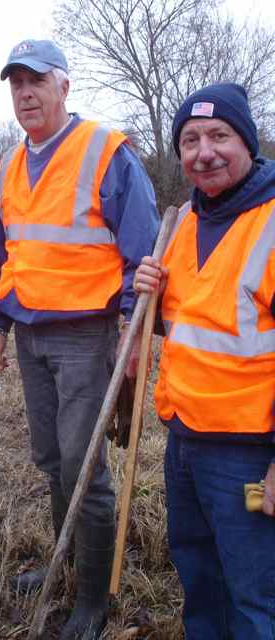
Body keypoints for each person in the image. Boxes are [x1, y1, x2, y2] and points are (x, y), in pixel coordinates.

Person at [0, 39, 159, 639]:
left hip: (86, 334)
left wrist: (135, 335)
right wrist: (0, 328)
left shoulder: (107, 154)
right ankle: (63, 562)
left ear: (64, 86)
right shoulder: (6, 165)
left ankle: (91, 600)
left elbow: (143, 252)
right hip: (31, 334)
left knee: (85, 465)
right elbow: (7, 254)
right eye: (16, 84)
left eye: (36, 81)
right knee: (52, 458)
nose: (25, 94)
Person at [134, 83, 275, 639]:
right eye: (190, 140)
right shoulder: (185, 221)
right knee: (199, 580)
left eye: (219, 135)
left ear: (247, 142)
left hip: (248, 455)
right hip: (184, 443)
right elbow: (192, 325)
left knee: (254, 593)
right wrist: (150, 295)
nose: (204, 152)